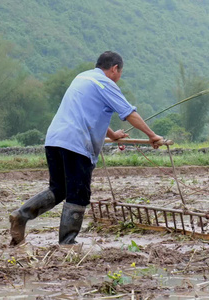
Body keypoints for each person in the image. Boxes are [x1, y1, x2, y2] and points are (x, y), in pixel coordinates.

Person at [9, 51, 163, 246]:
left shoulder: (82, 77)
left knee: (59, 188)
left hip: (54, 139)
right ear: (114, 69)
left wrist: (112, 135)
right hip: (76, 144)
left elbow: (88, 113)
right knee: (78, 193)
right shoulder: (106, 83)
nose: (119, 77)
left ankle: (21, 216)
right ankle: (67, 242)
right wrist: (152, 135)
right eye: (120, 73)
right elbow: (129, 113)